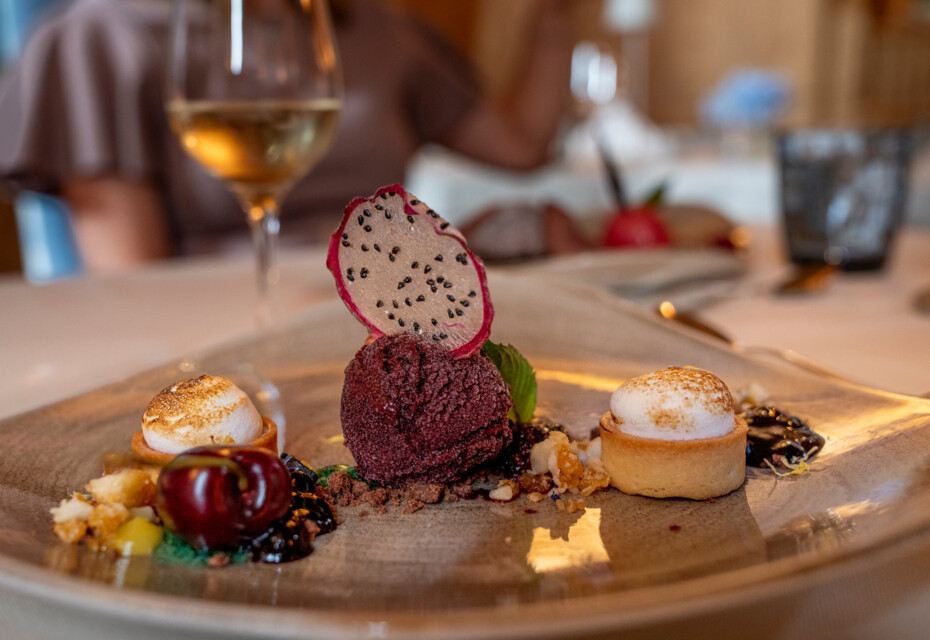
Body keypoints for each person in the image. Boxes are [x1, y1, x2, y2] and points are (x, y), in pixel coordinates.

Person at [0, 0, 572, 270]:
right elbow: (133, 280)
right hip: (217, 335)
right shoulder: (100, 37)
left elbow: (522, 146)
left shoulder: (376, 28)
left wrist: (555, 15)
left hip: (388, 304)